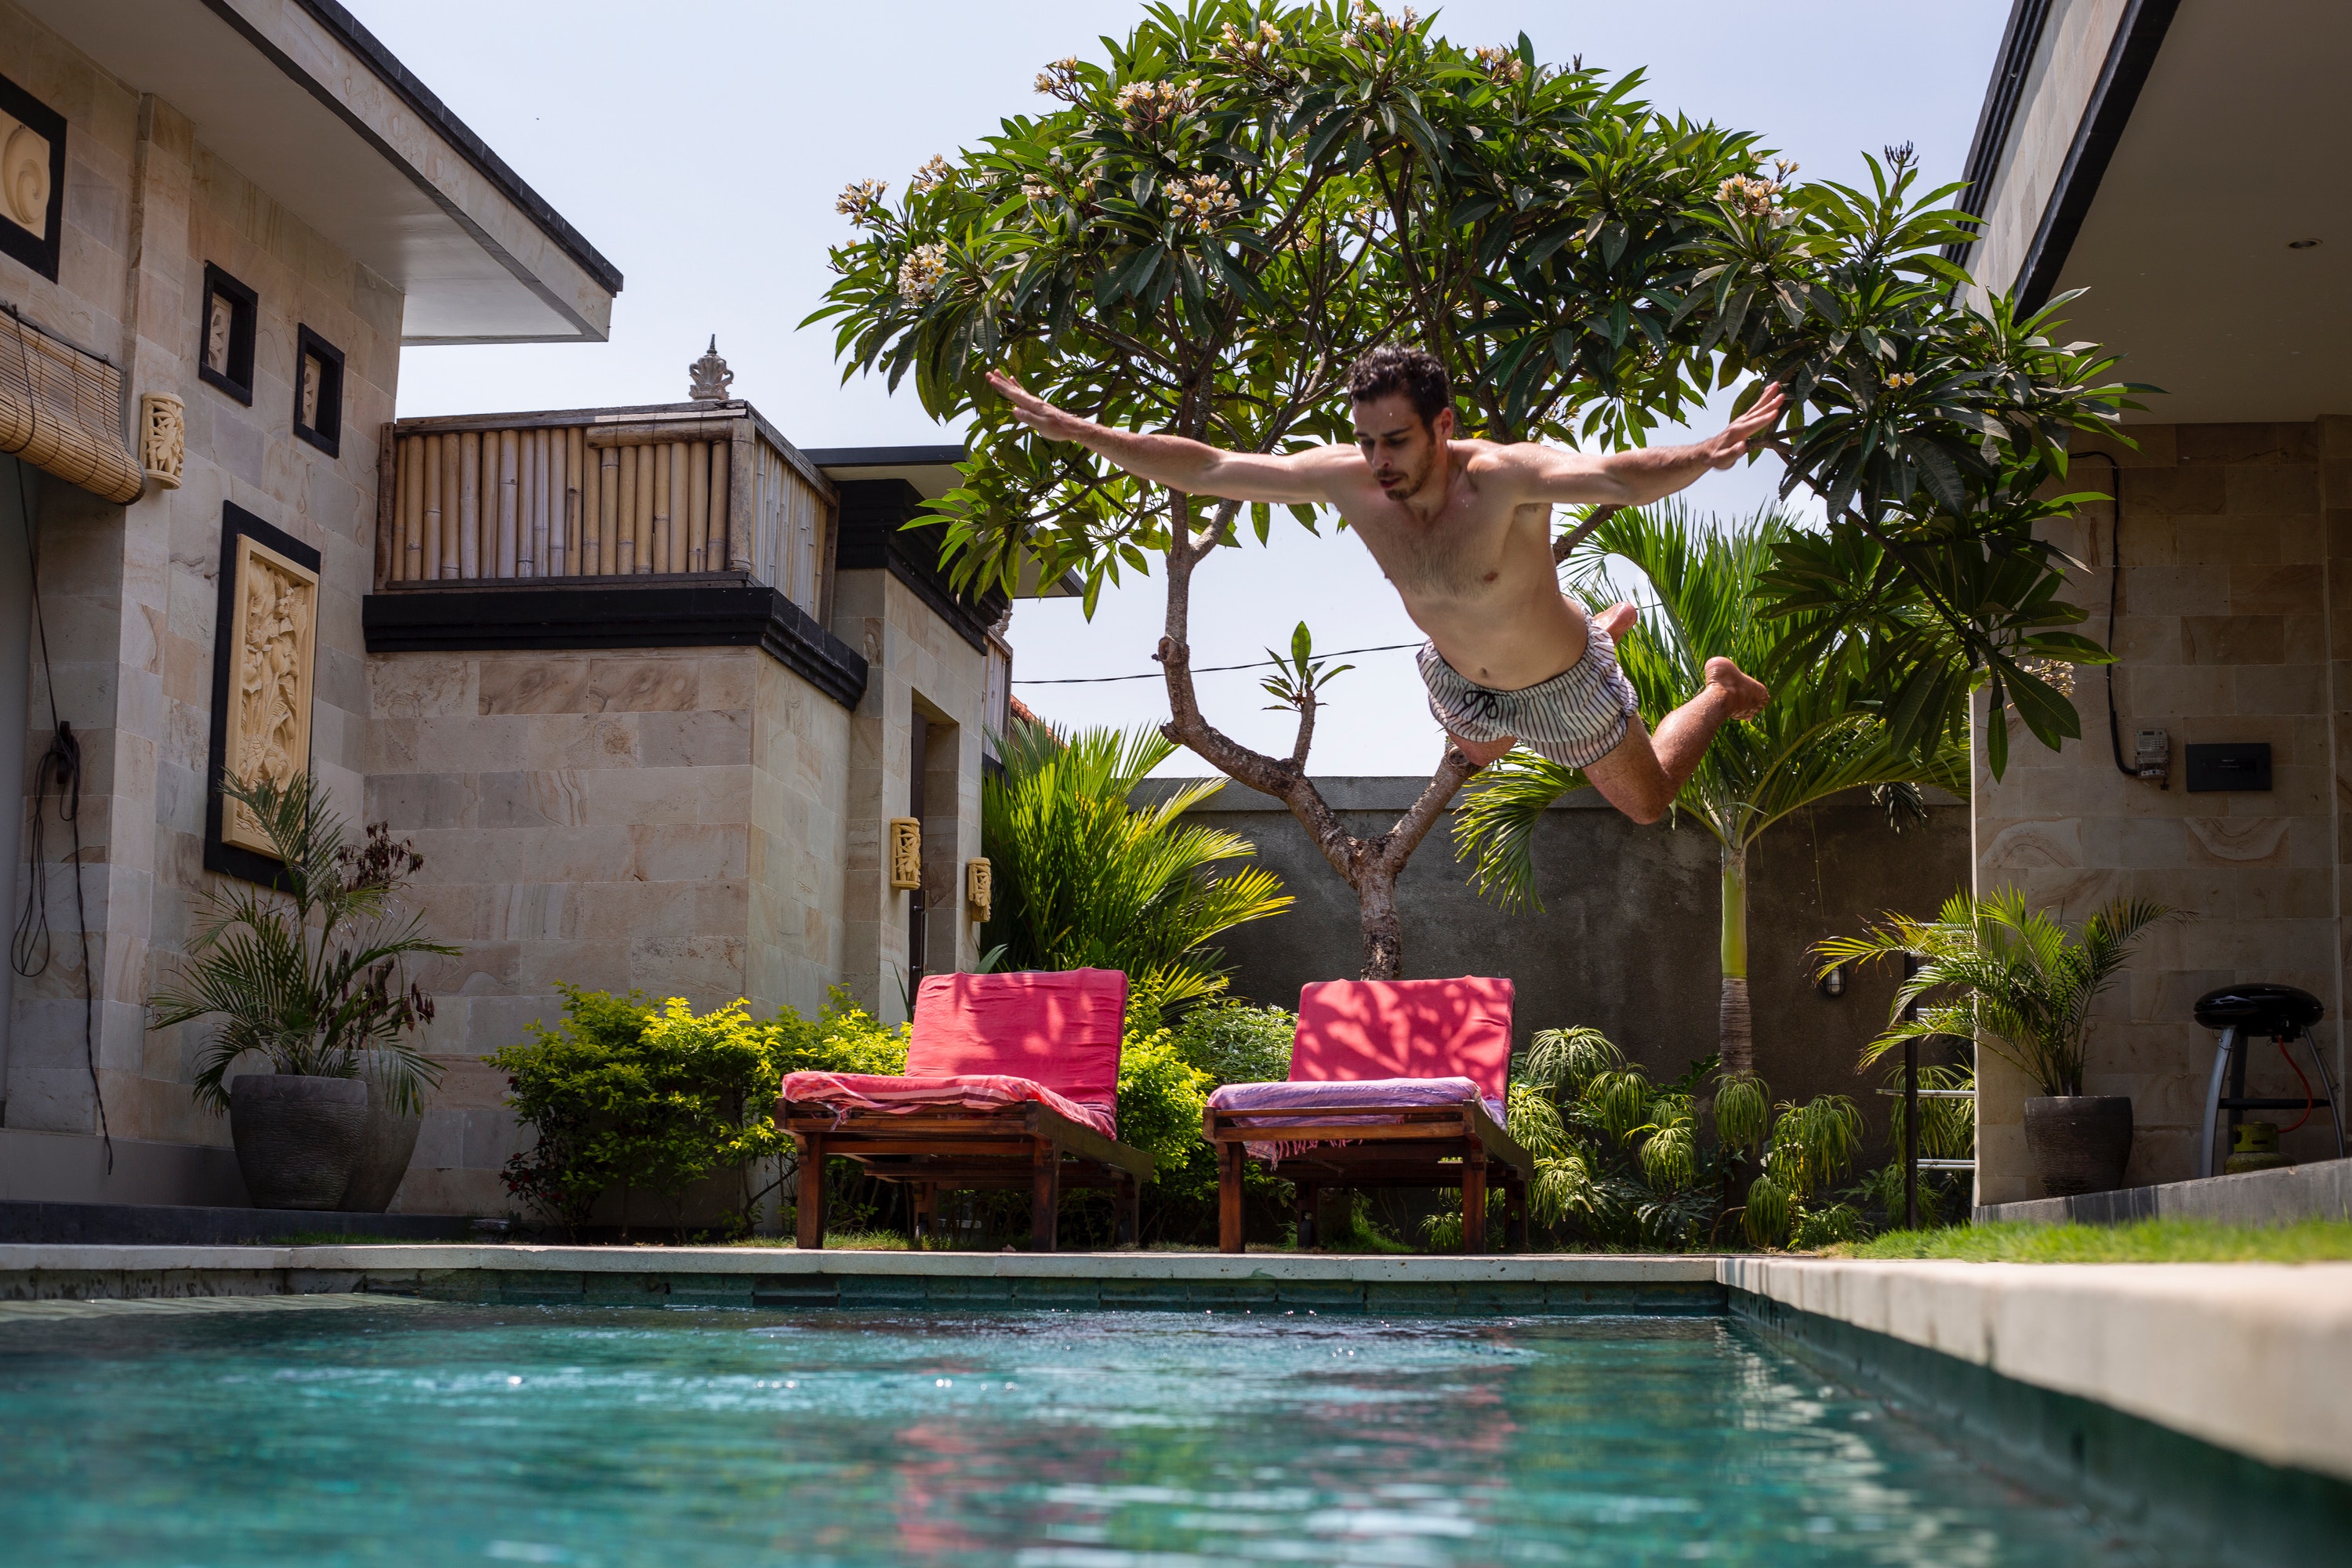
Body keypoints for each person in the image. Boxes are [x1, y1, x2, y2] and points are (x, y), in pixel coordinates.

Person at [984, 347, 1781, 824]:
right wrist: (1086, 432)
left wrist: (1707, 453)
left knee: (1646, 803)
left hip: (1561, 682)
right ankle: (1596, 627)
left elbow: (1618, 476)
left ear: (1443, 425)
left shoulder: (1506, 476)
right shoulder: (1352, 478)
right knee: (1479, 748)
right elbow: (1211, 466)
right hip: (1460, 678)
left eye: (1396, 440)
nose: (1378, 461)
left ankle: (1717, 689)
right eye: (1366, 441)